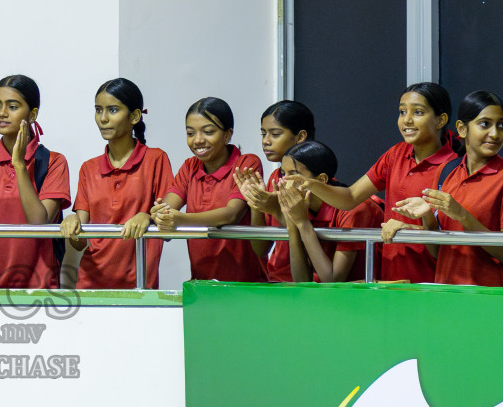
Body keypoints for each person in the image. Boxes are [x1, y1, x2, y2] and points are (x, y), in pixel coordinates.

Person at [294, 82, 459, 283]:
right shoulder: (395, 154)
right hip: (392, 280)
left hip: (435, 282)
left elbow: (454, 237)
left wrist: (410, 229)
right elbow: (350, 197)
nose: (406, 120)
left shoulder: (455, 165)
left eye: (417, 112)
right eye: (402, 112)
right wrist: (311, 184)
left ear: (441, 120)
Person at [389, 90, 503, 287]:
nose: (495, 133)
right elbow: (438, 252)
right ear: (462, 129)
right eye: (485, 124)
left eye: (502, 125)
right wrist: (427, 216)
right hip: (449, 293)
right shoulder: (446, 171)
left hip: (491, 297)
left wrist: (461, 215)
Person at [0, 74, 71, 289]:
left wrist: (19, 165)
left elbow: (39, 221)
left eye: (13, 106)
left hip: (39, 286)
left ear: (33, 114)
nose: (2, 113)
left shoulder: (53, 161)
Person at [60, 78, 173, 289]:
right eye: (98, 110)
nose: (103, 118)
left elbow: (167, 222)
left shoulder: (156, 159)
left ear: (135, 116)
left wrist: (146, 217)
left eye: (112, 110)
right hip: (90, 285)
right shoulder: (89, 168)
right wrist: (72, 223)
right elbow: (80, 242)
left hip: (139, 285)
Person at [152, 97, 265, 282]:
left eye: (208, 132)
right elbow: (168, 206)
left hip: (247, 283)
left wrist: (179, 219)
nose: (197, 140)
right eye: (190, 133)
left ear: (227, 135)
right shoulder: (190, 166)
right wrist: (158, 214)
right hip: (202, 283)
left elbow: (231, 214)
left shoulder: (246, 163)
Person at [275, 140, 383, 283]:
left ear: (322, 179)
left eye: (293, 175)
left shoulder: (355, 209)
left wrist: (302, 223)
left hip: (371, 296)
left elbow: (333, 280)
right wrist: (292, 224)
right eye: (283, 174)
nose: (283, 182)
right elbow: (301, 281)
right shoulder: (302, 206)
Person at [238, 99, 314, 281]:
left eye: (275, 134)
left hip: (308, 286)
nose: (266, 141)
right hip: (276, 281)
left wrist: (272, 208)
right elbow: (260, 248)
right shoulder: (274, 177)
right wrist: (256, 203)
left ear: (300, 136)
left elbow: (305, 237)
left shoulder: (314, 183)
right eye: (263, 134)